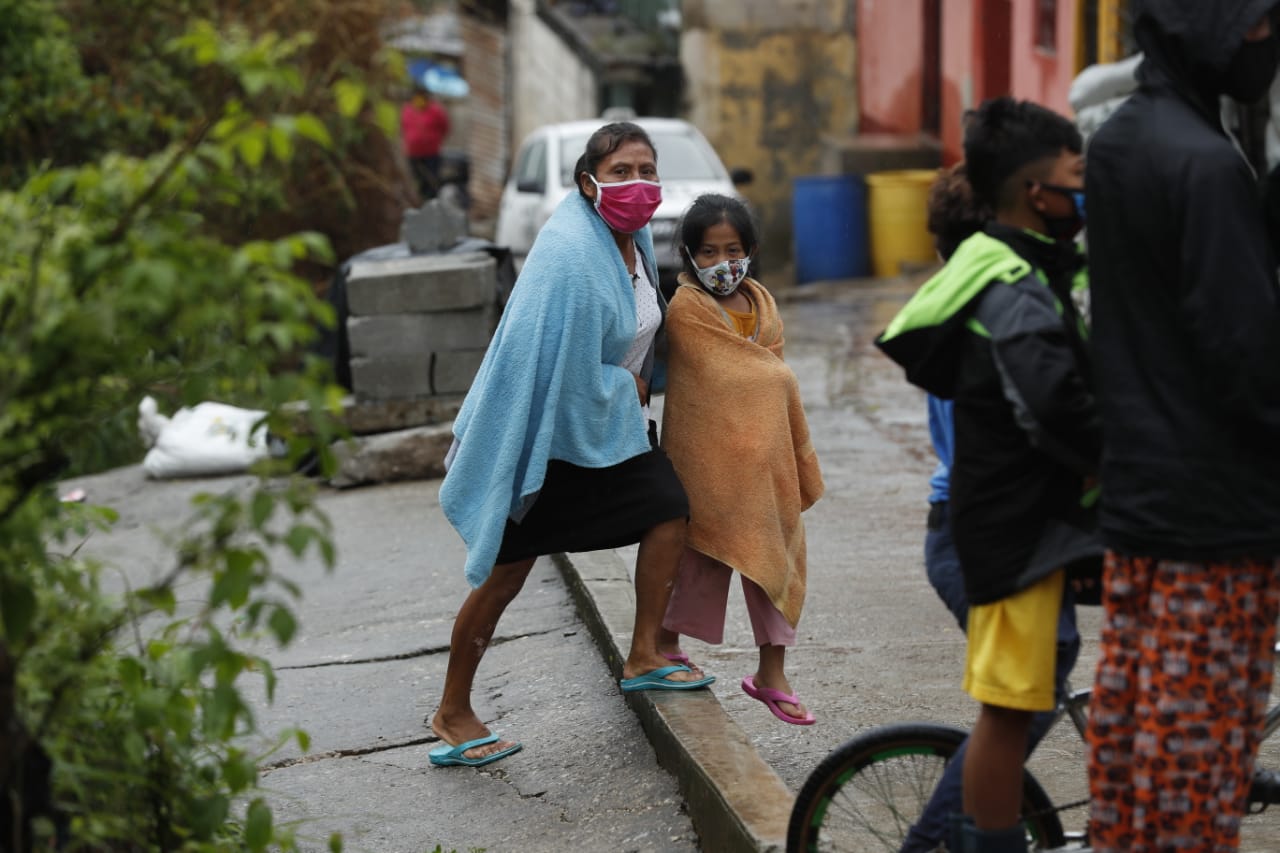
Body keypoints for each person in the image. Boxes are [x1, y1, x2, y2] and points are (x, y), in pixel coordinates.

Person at [429, 122, 714, 770]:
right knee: (504, 574)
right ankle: (452, 711)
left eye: (647, 170)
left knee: (668, 509)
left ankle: (644, 654)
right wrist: (625, 384)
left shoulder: (632, 243)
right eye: (621, 172)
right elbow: (549, 363)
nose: (637, 183)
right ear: (589, 183)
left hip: (603, 430)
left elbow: (638, 328)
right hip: (542, 438)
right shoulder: (567, 254)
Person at [876, 96, 1101, 853]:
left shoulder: (1016, 269)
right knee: (1010, 715)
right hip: (1016, 535)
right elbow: (1058, 409)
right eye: (1078, 175)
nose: (1086, 189)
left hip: (1019, 527)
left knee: (1015, 710)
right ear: (1038, 192)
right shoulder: (1010, 285)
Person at [1083, 3, 1280, 851]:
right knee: (1200, 756)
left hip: (1141, 503)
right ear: (1210, 27)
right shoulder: (1207, 165)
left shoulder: (1119, 141)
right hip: (1217, 522)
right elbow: (1248, 359)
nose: (1267, 44)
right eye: (1257, 25)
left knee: (1135, 733)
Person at [657, 194, 824, 726]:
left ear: (750, 250)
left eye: (733, 250)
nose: (722, 263)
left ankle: (772, 672)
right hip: (708, 460)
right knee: (699, 555)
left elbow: (767, 374)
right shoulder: (687, 310)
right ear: (689, 255)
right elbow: (734, 376)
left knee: (774, 557)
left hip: (766, 461)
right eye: (709, 252)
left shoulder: (763, 306)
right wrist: (776, 379)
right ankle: (664, 645)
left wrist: (774, 381)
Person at [401, 85, 450, 201]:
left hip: (431, 153)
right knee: (418, 181)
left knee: (432, 181)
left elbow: (445, 127)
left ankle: (432, 202)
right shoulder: (408, 110)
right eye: (416, 97)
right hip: (413, 154)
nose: (419, 100)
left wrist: (434, 140)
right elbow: (403, 128)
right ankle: (421, 202)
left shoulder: (436, 111)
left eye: (421, 97)